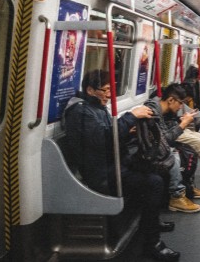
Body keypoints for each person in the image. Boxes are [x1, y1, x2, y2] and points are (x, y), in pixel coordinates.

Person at [64, 70, 180, 261]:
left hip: (112, 163)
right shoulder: (80, 112)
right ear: (91, 90)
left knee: (160, 170)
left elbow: (109, 136)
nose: (109, 95)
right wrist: (131, 116)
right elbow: (103, 138)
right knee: (154, 183)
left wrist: (130, 131)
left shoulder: (97, 108)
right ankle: (152, 243)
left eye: (111, 90)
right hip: (101, 173)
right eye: (106, 90)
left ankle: (151, 221)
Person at [144, 85, 200, 214]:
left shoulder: (160, 110)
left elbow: (163, 136)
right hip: (147, 153)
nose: (181, 107)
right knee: (174, 155)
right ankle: (177, 196)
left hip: (154, 148)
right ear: (170, 100)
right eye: (180, 103)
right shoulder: (153, 112)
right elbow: (165, 140)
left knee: (186, 150)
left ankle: (187, 187)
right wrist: (183, 124)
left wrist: (179, 123)